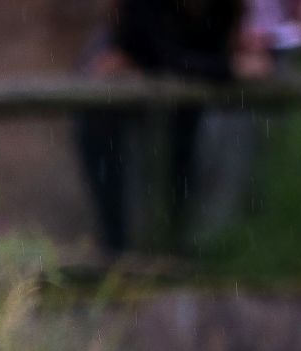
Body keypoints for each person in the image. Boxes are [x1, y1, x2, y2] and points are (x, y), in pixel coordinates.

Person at [74, 0, 261, 259]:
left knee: (182, 155)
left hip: (182, 98)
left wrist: (240, 57)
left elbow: (191, 59)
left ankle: (179, 245)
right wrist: (229, 69)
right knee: (105, 142)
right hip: (118, 93)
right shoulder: (144, 10)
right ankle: (117, 247)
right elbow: (165, 58)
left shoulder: (226, 9)